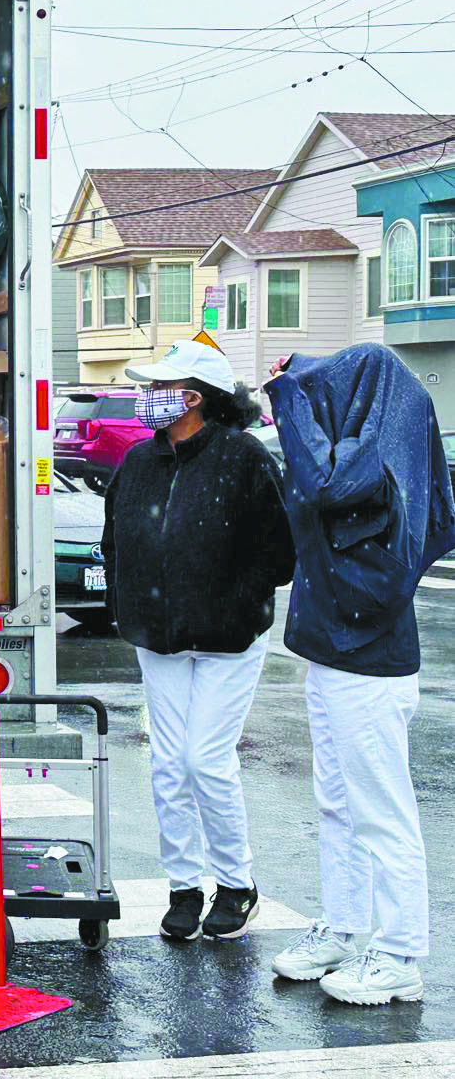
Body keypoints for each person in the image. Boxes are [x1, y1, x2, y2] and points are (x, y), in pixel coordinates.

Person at [263, 345, 455, 1006]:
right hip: (332, 654)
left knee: (379, 811)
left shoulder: (369, 466)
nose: (320, 404)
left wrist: (288, 397)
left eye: (330, 392)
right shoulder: (365, 453)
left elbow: (322, 485)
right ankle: (342, 929)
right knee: (338, 805)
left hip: (367, 664)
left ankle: (399, 953)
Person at [101, 340, 295, 944]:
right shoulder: (138, 463)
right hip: (158, 635)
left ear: (192, 399)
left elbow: (277, 552)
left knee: (204, 760)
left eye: (157, 388)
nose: (144, 397)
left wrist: (237, 603)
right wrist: (127, 601)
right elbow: (115, 541)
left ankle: (237, 885)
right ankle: (184, 885)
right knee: (166, 763)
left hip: (228, 638)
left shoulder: (244, 458)